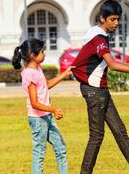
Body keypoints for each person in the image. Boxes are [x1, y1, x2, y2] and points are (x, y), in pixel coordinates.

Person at [71, 0, 129, 174]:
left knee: (120, 131)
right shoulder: (99, 38)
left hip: (101, 91)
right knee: (97, 136)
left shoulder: (98, 35)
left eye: (118, 19)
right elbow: (112, 64)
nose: (116, 23)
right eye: (112, 19)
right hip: (94, 92)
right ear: (102, 18)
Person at [12, 38, 74, 174]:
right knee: (39, 152)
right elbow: (34, 103)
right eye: (42, 51)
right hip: (38, 119)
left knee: (61, 148)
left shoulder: (37, 68)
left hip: (47, 116)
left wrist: (64, 74)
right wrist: (53, 109)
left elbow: (47, 85)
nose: (45, 54)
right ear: (33, 56)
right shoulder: (29, 74)